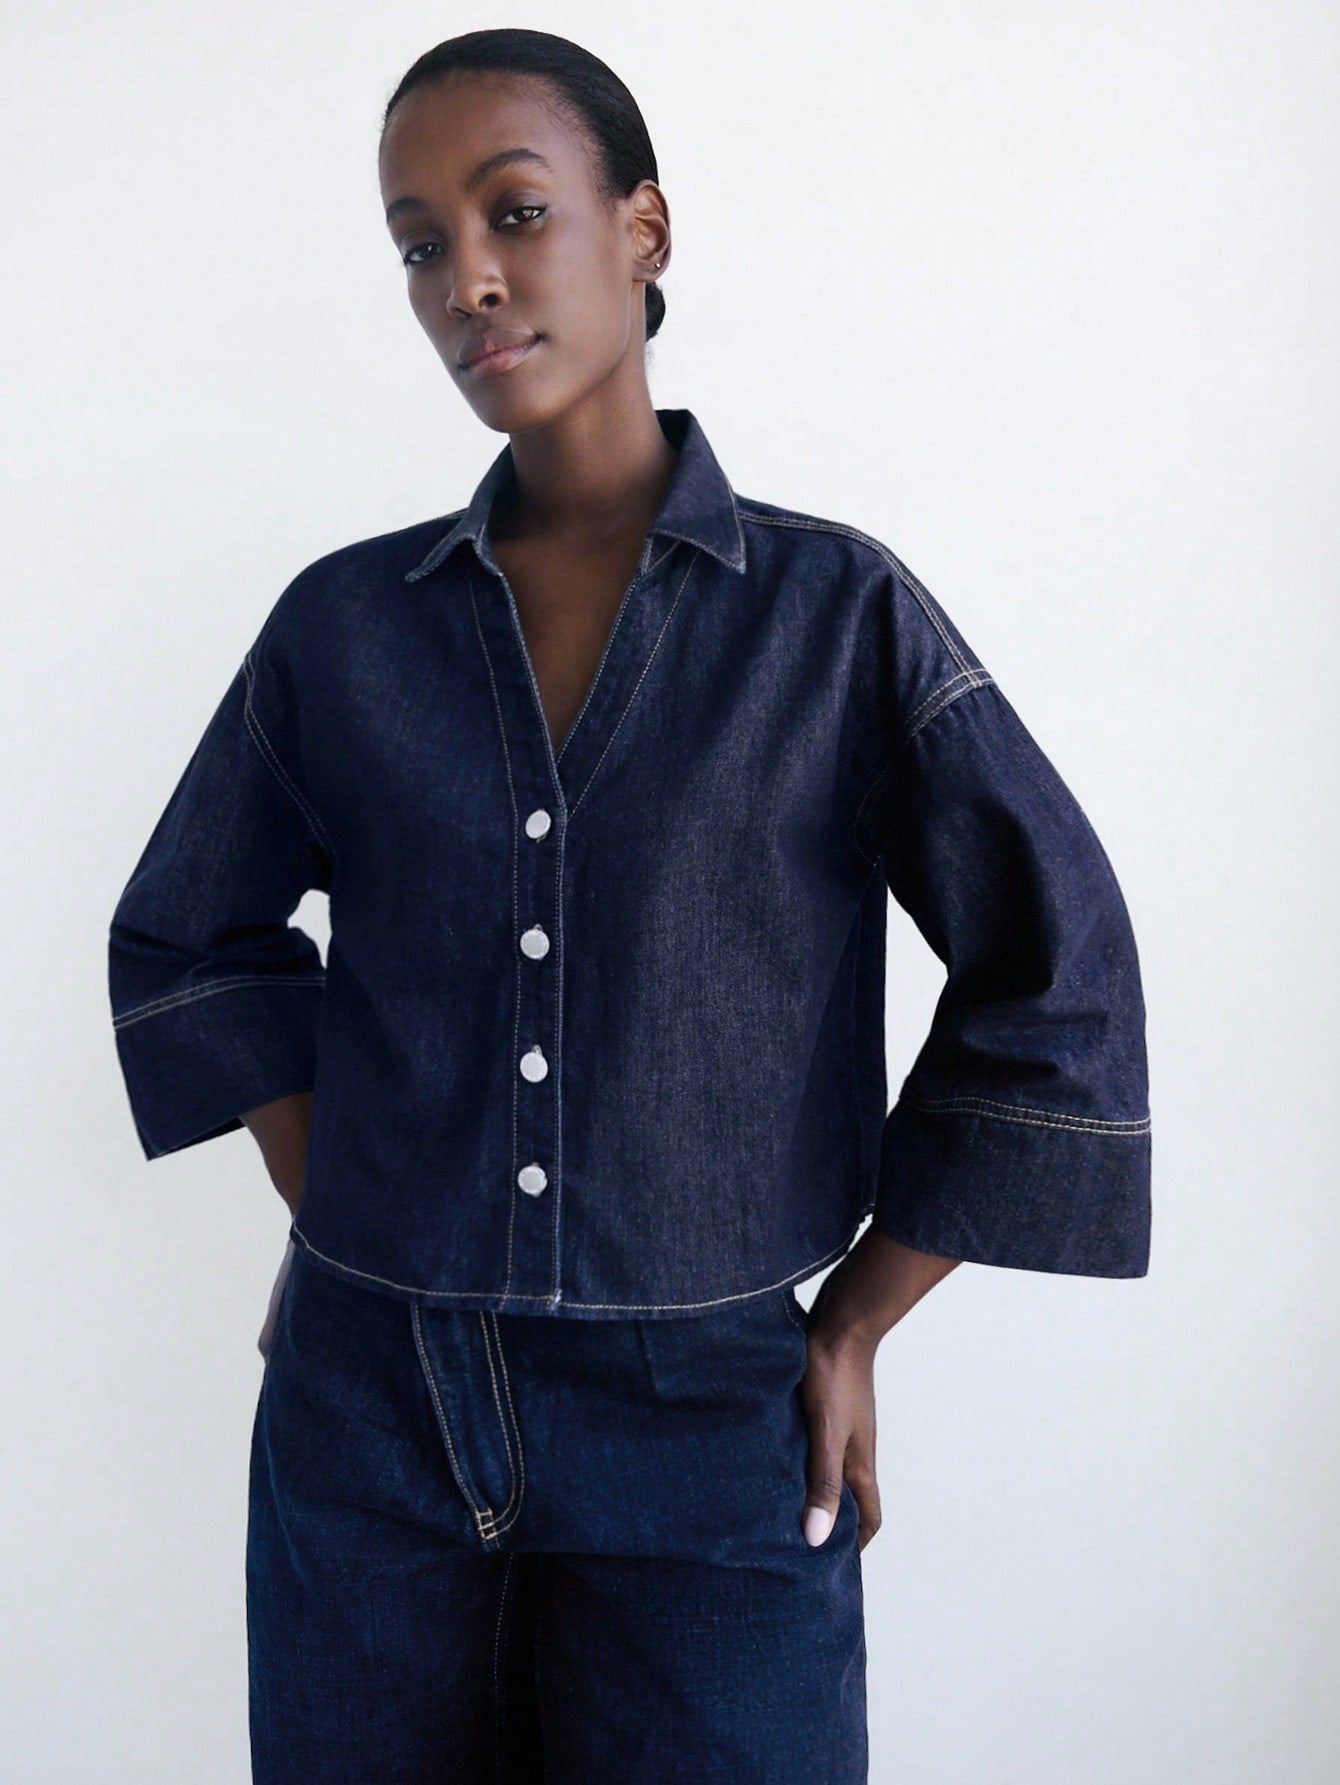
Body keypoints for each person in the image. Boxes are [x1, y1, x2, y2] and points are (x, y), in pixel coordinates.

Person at [105, 27, 1152, 1784]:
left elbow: (1060, 973)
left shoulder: (834, 617)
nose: (466, 279)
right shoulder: (344, 628)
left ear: (644, 227)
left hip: (712, 1426)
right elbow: (192, 931)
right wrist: (351, 1207)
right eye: (420, 244)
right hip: (366, 1408)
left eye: (513, 212)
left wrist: (855, 1318)